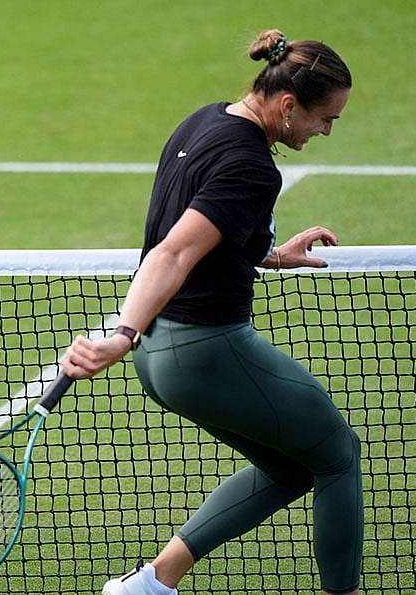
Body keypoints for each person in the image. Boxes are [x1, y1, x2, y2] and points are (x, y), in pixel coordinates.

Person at [60, 30, 362, 595]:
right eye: (326, 118)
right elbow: (173, 250)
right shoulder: (253, 166)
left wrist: (269, 255)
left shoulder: (204, 120)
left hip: (159, 355)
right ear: (288, 104)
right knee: (339, 455)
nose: (326, 130)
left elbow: (196, 228)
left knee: (293, 465)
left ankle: (150, 585)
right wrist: (120, 333)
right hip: (203, 349)